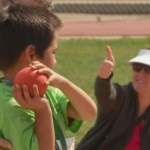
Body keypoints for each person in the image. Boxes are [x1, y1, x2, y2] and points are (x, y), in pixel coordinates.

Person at [0, 4, 97, 150]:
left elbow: (88, 113)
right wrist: (43, 111)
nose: (55, 61)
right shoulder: (8, 105)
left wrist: (62, 83)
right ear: (31, 54)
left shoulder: (48, 90)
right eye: (54, 52)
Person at [76, 46, 150, 150]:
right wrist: (104, 78)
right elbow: (106, 94)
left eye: (148, 70)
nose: (141, 74)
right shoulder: (121, 97)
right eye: (137, 67)